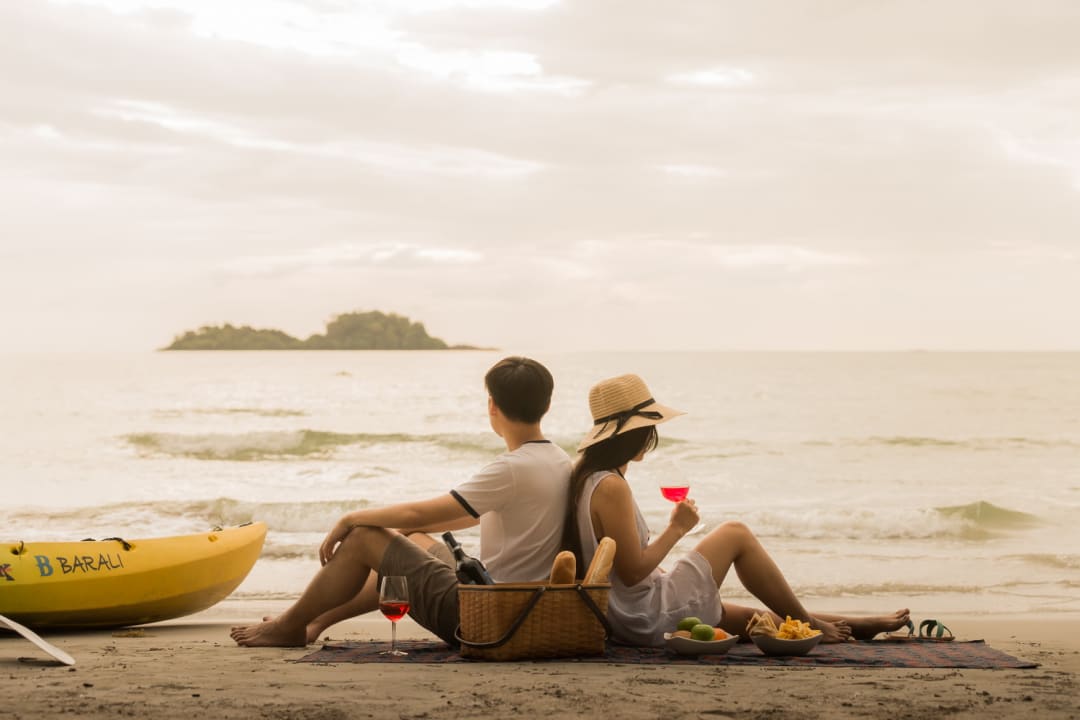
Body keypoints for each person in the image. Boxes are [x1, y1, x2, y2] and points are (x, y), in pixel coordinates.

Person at [232, 356, 571, 647]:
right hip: (512, 604)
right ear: (547, 404)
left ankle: (287, 626)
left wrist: (351, 519)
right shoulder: (557, 459)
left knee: (366, 536)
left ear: (492, 406)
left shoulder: (512, 468)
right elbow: (464, 516)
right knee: (409, 536)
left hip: (484, 614)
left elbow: (420, 510)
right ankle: (316, 623)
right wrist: (397, 534)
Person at [563, 373, 910, 648]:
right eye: (648, 428)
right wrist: (677, 529)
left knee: (749, 618)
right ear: (632, 431)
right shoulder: (611, 486)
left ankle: (854, 624)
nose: (651, 436)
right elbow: (634, 571)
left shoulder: (588, 476)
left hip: (627, 612)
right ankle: (814, 624)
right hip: (642, 616)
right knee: (735, 533)